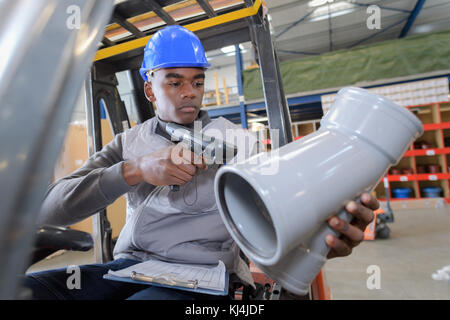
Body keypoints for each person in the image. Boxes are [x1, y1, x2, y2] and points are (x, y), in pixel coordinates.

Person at [24, 25, 379, 300]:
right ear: (150, 90)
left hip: (208, 278)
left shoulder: (241, 143)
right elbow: (47, 210)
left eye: (197, 81)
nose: (189, 92)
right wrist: (134, 170)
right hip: (131, 267)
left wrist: (318, 238)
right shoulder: (128, 143)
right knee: (23, 289)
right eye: (174, 82)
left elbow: (278, 218)